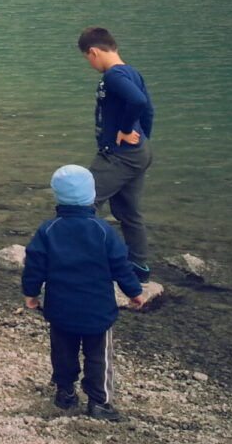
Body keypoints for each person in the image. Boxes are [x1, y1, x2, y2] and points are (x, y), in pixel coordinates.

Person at [23, 165, 145, 421]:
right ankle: (100, 403)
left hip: (60, 309)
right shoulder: (103, 230)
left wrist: (31, 293)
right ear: (91, 196)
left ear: (57, 197)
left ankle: (65, 393)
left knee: (63, 353)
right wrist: (134, 292)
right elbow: (121, 266)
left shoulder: (49, 229)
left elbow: (35, 265)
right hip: (97, 310)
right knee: (99, 357)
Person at [78, 26, 155, 280]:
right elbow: (148, 111)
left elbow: (138, 102)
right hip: (137, 153)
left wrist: (124, 131)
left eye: (87, 59)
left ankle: (84, 262)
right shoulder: (132, 72)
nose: (89, 64)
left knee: (82, 203)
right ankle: (139, 266)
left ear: (93, 52)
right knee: (128, 212)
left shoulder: (113, 76)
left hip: (118, 155)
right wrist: (141, 139)